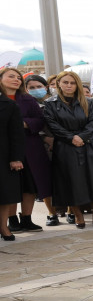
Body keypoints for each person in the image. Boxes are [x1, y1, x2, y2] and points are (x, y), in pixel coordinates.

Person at [43, 70, 93, 229]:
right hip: (65, 147)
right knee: (70, 181)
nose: (69, 85)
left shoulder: (88, 102)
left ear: (77, 85)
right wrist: (71, 138)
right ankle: (77, 214)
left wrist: (82, 137)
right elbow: (53, 125)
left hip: (88, 145)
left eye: (72, 83)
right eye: (65, 82)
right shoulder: (50, 104)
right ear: (58, 83)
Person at [2, 68, 47, 232]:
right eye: (11, 76)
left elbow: (40, 120)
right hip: (5, 149)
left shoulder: (27, 99)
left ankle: (27, 218)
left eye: (18, 77)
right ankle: (12, 220)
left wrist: (24, 123)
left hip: (30, 147)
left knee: (29, 184)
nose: (16, 79)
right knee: (10, 185)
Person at [22, 74, 58, 226]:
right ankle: (52, 212)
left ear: (46, 87)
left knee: (64, 177)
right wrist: (45, 138)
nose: (36, 90)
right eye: (31, 88)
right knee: (44, 180)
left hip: (63, 143)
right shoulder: (27, 104)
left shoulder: (57, 102)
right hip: (41, 146)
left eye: (39, 86)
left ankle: (70, 210)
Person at [0, 90, 25, 240]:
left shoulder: (9, 105)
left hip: (3, 156)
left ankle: (3, 226)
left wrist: (16, 158)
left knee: (4, 195)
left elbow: (17, 134)